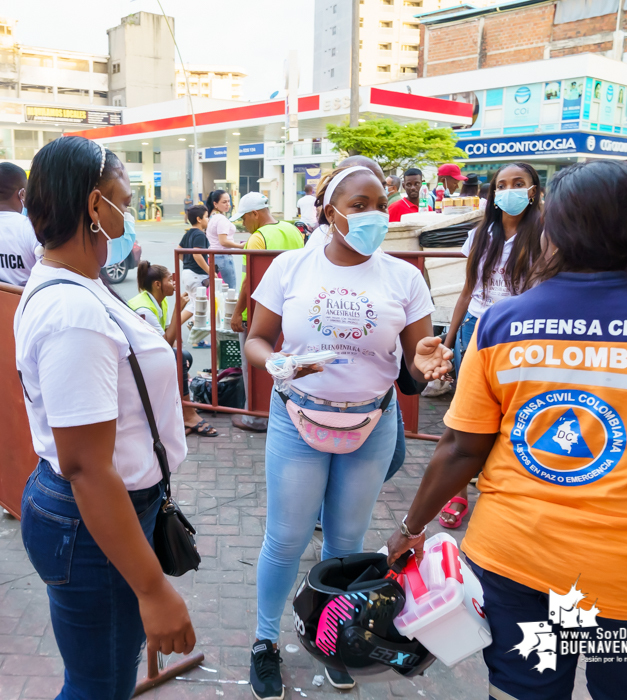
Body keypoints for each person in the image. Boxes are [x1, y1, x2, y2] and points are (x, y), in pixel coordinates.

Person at [386, 159, 627, 700]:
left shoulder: (506, 322)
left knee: (525, 692)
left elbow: (460, 447)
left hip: (516, 566)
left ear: (555, 229)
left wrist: (411, 527)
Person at [243, 165, 452, 698]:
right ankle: (265, 642)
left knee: (344, 544)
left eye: (379, 203)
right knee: (286, 540)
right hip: (297, 419)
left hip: (371, 423)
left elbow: (414, 358)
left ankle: (331, 636)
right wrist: (276, 366)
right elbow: (257, 340)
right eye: (359, 204)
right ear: (329, 211)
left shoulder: (403, 277)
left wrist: (426, 363)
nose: (373, 215)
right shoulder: (291, 268)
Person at [14, 136, 196, 700]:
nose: (131, 210)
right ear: (95, 207)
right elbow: (87, 466)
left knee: (100, 677)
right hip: (93, 522)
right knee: (100, 686)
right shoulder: (74, 311)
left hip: (97, 516)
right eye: (124, 197)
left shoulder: (82, 286)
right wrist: (153, 590)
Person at [438, 162, 543, 529]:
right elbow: (468, 290)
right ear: (492, 193)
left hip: (521, 336)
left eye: (519, 183)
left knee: (514, 418)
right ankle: (456, 495)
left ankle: (504, 494)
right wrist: (449, 341)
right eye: (502, 184)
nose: (509, 190)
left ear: (533, 190)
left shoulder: (545, 236)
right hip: (475, 331)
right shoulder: (481, 234)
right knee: (464, 418)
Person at [228, 191, 304, 433]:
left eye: (244, 218)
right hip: (291, 311)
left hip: (260, 312)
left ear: (254, 214)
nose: (243, 224)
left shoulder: (258, 238)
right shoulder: (294, 230)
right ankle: (288, 411)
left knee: (254, 366)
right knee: (290, 364)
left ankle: (256, 417)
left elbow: (247, 282)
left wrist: (237, 313)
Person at [129, 261, 218, 438]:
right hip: (135, 361)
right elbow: (164, 343)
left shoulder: (159, 301)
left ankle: (177, 406)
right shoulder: (144, 308)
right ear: (157, 284)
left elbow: (170, 336)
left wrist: (180, 358)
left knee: (184, 357)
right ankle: (188, 414)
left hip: (146, 354)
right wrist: (179, 309)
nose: (174, 284)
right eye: (170, 280)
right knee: (178, 358)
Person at [205, 189, 243, 288]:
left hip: (214, 256)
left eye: (228, 201)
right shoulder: (221, 219)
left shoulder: (212, 217)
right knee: (230, 290)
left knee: (218, 290)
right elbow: (223, 241)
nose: (227, 204)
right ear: (215, 204)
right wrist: (240, 246)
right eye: (224, 202)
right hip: (223, 257)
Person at [178, 204, 211, 295]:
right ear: (199, 219)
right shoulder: (200, 234)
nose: (208, 219)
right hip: (197, 275)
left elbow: (179, 250)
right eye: (206, 217)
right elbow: (197, 254)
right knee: (200, 306)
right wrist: (210, 272)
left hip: (187, 273)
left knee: (194, 306)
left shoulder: (188, 233)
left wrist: (187, 262)